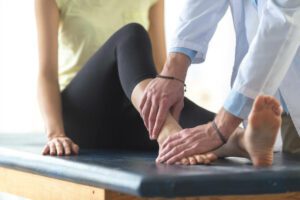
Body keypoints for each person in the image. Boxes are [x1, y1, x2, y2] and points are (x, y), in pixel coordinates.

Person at [140, 0, 300, 164]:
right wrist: (173, 71)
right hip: (278, 105)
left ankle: (240, 141)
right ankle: (242, 141)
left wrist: (219, 128)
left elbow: (282, 18)